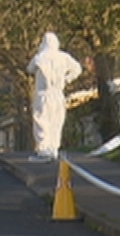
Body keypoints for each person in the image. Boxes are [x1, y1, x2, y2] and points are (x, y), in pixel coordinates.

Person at [26, 31, 83, 162]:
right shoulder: (64, 57)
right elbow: (77, 68)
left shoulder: (40, 57)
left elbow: (30, 69)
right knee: (56, 122)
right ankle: (53, 149)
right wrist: (67, 79)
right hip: (58, 94)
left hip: (43, 94)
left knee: (42, 120)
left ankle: (43, 149)